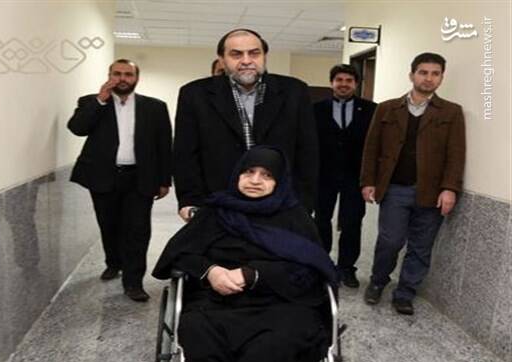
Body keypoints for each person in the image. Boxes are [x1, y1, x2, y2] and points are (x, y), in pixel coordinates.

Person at [153, 146, 337, 362]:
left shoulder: (295, 217)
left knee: (284, 340)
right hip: (217, 299)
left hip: (281, 302)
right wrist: (210, 271)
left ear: (279, 181)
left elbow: (312, 270)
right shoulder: (215, 212)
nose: (255, 180)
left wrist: (254, 274)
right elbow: (179, 254)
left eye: (266, 175)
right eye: (248, 172)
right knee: (197, 330)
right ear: (237, 175)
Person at [174, 28, 319, 221]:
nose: (246, 60)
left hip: (280, 203)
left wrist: (304, 203)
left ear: (264, 56)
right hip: (217, 200)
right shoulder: (194, 94)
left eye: (254, 53)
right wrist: (189, 200)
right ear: (222, 59)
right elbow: (185, 153)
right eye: (236, 54)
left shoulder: (295, 91)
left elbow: (307, 151)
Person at [360, 52, 466, 315]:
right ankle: (378, 281)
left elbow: (456, 153)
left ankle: (405, 293)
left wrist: (450, 188)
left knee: (420, 247)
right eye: (423, 72)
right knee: (390, 241)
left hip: (431, 192)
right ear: (412, 75)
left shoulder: (451, 112)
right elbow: (371, 148)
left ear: (441, 78)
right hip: (395, 189)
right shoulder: (387, 108)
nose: (429, 78)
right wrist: (368, 181)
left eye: (435, 74)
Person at [68, 59, 172, 302]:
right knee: (109, 225)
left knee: (138, 230)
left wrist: (164, 179)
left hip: (140, 178)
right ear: (109, 75)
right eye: (117, 74)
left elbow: (165, 144)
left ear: (137, 78)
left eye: (128, 74)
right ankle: (114, 262)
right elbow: (77, 128)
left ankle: (133, 283)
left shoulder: (155, 107)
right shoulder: (91, 102)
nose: (122, 78)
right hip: (103, 177)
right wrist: (100, 100)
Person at [313, 64, 376, 288]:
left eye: (349, 80)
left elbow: (375, 145)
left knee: (352, 223)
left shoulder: (371, 110)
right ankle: (322, 265)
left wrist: (371, 179)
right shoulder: (315, 109)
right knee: (321, 221)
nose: (343, 84)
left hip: (355, 177)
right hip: (323, 176)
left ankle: (347, 268)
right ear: (332, 82)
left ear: (356, 84)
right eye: (339, 80)